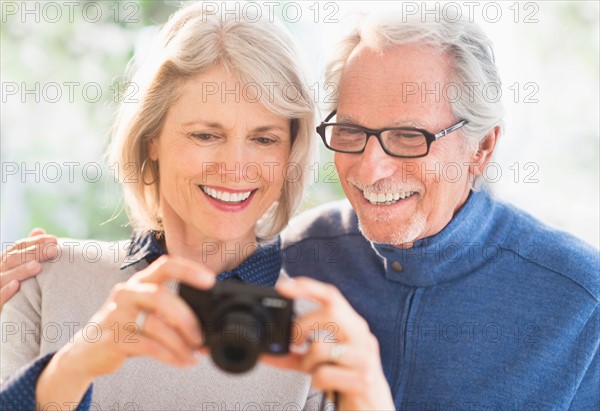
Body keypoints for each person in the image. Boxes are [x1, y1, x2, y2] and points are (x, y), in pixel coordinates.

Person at [0, 3, 394, 411]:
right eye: (206, 135)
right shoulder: (45, 278)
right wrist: (74, 368)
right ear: (151, 138)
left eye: (264, 139)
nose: (234, 168)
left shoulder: (316, 330)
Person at [279, 13, 599, 410]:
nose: (369, 169)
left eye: (409, 136)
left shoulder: (583, 303)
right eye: (351, 132)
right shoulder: (294, 258)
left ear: (481, 147)